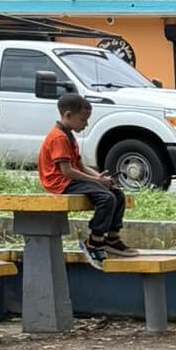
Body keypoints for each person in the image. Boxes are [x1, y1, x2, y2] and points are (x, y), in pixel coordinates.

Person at [39, 93, 135, 268]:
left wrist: (99, 178)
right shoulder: (58, 138)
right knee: (106, 198)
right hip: (60, 183)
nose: (86, 124)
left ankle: (112, 238)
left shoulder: (68, 135)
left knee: (117, 194)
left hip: (71, 179)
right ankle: (94, 242)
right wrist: (95, 181)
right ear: (68, 115)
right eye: (83, 119)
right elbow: (67, 171)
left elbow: (81, 166)